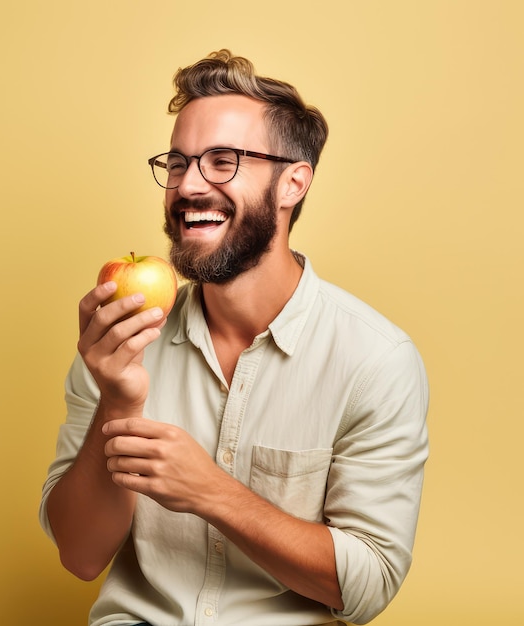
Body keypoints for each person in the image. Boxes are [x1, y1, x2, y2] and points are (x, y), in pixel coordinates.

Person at [39, 49, 429, 626]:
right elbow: (79, 555)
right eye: (177, 163)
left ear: (293, 182)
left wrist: (212, 492)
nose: (188, 185)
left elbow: (367, 587)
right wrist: (119, 401)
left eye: (222, 160)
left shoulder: (376, 360)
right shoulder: (121, 337)